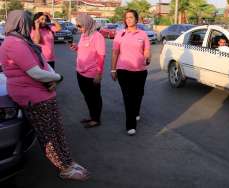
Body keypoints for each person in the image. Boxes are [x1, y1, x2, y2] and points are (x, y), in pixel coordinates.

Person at [0, 10, 89, 181]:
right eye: (26, 21)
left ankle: (68, 161)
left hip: (44, 92)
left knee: (57, 131)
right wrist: (58, 77)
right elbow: (35, 72)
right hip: (32, 95)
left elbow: (43, 64)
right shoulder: (13, 43)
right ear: (20, 23)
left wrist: (53, 77)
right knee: (48, 134)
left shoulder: (23, 41)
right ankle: (64, 168)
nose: (28, 24)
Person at [111, 9, 151, 136]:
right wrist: (113, 69)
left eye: (131, 17)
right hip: (123, 70)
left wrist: (147, 58)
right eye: (126, 18)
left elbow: (147, 50)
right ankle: (130, 125)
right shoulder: (120, 34)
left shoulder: (143, 34)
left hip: (140, 70)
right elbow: (115, 53)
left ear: (136, 19)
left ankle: (136, 112)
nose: (128, 20)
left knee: (138, 95)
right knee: (128, 97)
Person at [68, 13, 105, 128]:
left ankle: (96, 119)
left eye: (80, 26)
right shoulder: (84, 35)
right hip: (80, 71)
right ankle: (92, 116)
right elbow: (84, 50)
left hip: (91, 73)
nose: (79, 29)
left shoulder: (97, 36)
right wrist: (76, 47)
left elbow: (101, 56)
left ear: (87, 24)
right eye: (78, 26)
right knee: (87, 96)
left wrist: (98, 73)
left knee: (94, 97)